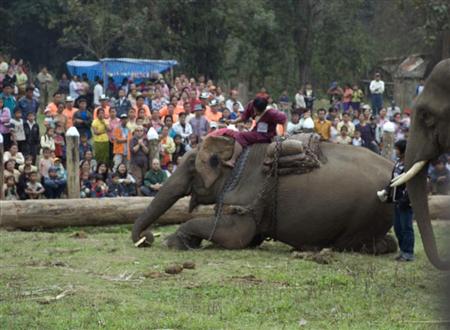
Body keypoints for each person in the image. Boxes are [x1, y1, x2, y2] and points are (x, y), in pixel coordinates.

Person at [216, 97, 287, 168]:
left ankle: (232, 161)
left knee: (240, 135)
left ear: (264, 109)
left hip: (266, 135)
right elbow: (244, 118)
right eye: (255, 110)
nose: (256, 113)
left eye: (259, 112)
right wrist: (233, 122)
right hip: (255, 131)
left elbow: (284, 119)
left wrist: (285, 131)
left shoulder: (272, 113)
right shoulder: (250, 105)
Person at [392, 140, 415, 261]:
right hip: (396, 200)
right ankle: (402, 250)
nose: (395, 151)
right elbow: (393, 179)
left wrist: (405, 200)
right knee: (397, 227)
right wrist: (387, 191)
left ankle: (408, 252)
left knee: (407, 227)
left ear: (403, 150)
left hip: (405, 202)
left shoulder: (410, 164)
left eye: (397, 149)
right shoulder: (397, 163)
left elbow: (411, 185)